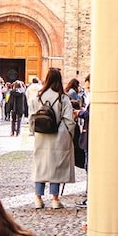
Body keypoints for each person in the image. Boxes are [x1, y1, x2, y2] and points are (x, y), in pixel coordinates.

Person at [30, 68, 78, 207]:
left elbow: (31, 117)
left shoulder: (37, 97)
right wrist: (70, 134)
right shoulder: (62, 98)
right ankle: (55, 199)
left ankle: (38, 198)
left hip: (41, 134)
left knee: (40, 165)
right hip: (59, 135)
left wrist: (34, 132)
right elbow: (69, 119)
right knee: (56, 166)